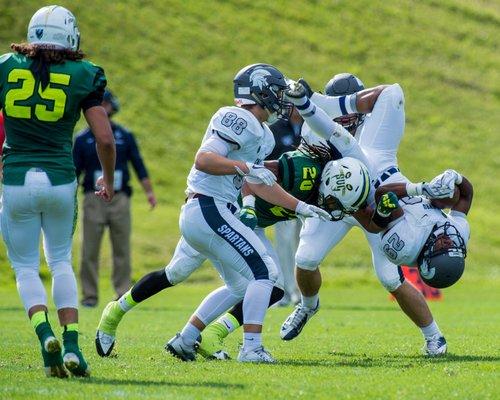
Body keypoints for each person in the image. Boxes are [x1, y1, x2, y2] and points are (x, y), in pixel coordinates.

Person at [96, 63, 330, 364]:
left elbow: (257, 182)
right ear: (259, 91)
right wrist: (246, 168)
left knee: (226, 283)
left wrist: (300, 207)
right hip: (208, 207)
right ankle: (252, 347)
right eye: (277, 90)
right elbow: (205, 159)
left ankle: (179, 336)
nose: (282, 98)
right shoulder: (238, 117)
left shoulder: (265, 134)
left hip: (215, 210)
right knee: (267, 276)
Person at [280, 76, 453, 355]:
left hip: (378, 206)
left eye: (350, 110)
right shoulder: (316, 130)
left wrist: (327, 104)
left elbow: (392, 93)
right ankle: (308, 306)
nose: (346, 118)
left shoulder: (375, 130)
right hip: (335, 203)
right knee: (305, 259)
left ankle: (434, 337)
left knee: (390, 278)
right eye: (340, 113)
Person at [0, 5, 115, 378]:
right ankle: (70, 344)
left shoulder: (5, 66)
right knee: (61, 260)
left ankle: (44, 332)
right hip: (60, 179)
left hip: (16, 178)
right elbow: (104, 138)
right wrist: (108, 179)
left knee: (24, 267)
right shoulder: (84, 74)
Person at [73, 89, 157, 307]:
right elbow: (75, 170)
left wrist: (149, 192)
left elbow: (138, 164)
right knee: (89, 250)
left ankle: (122, 293)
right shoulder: (82, 139)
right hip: (93, 198)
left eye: (106, 103)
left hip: (119, 198)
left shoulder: (123, 135)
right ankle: (89, 296)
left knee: (121, 249)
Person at [373, 170, 472, 289]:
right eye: (452, 247)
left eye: (444, 248)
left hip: (373, 181)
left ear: (426, 259)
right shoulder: (458, 235)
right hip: (392, 169)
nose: (450, 242)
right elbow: (466, 196)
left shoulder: (407, 247)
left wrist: (422, 188)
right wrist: (456, 177)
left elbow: (382, 193)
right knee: (452, 193)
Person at [267, 108, 303, 305]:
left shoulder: (311, 126)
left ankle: (303, 290)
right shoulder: (276, 129)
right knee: (285, 244)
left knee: (304, 245)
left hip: (308, 197)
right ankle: (287, 291)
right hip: (282, 198)